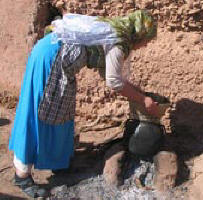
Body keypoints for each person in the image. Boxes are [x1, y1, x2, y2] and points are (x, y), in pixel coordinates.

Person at [8, 10, 160, 198]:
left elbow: (111, 75)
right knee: (40, 114)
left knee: (61, 113)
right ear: (140, 33)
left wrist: (139, 93)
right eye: (148, 40)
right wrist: (143, 100)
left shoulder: (113, 32)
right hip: (52, 60)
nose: (146, 44)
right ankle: (22, 175)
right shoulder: (119, 40)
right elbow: (113, 81)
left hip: (55, 59)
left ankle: (56, 162)